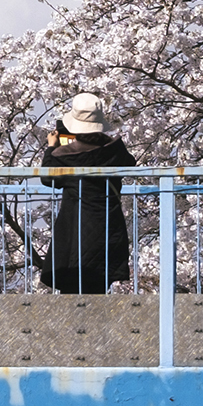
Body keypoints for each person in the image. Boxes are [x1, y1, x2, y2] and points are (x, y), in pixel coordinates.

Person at [39, 93, 135, 294]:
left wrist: (50, 148)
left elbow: (48, 178)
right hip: (108, 231)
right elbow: (129, 161)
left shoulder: (65, 157)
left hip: (75, 233)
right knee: (99, 291)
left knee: (72, 294)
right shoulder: (116, 152)